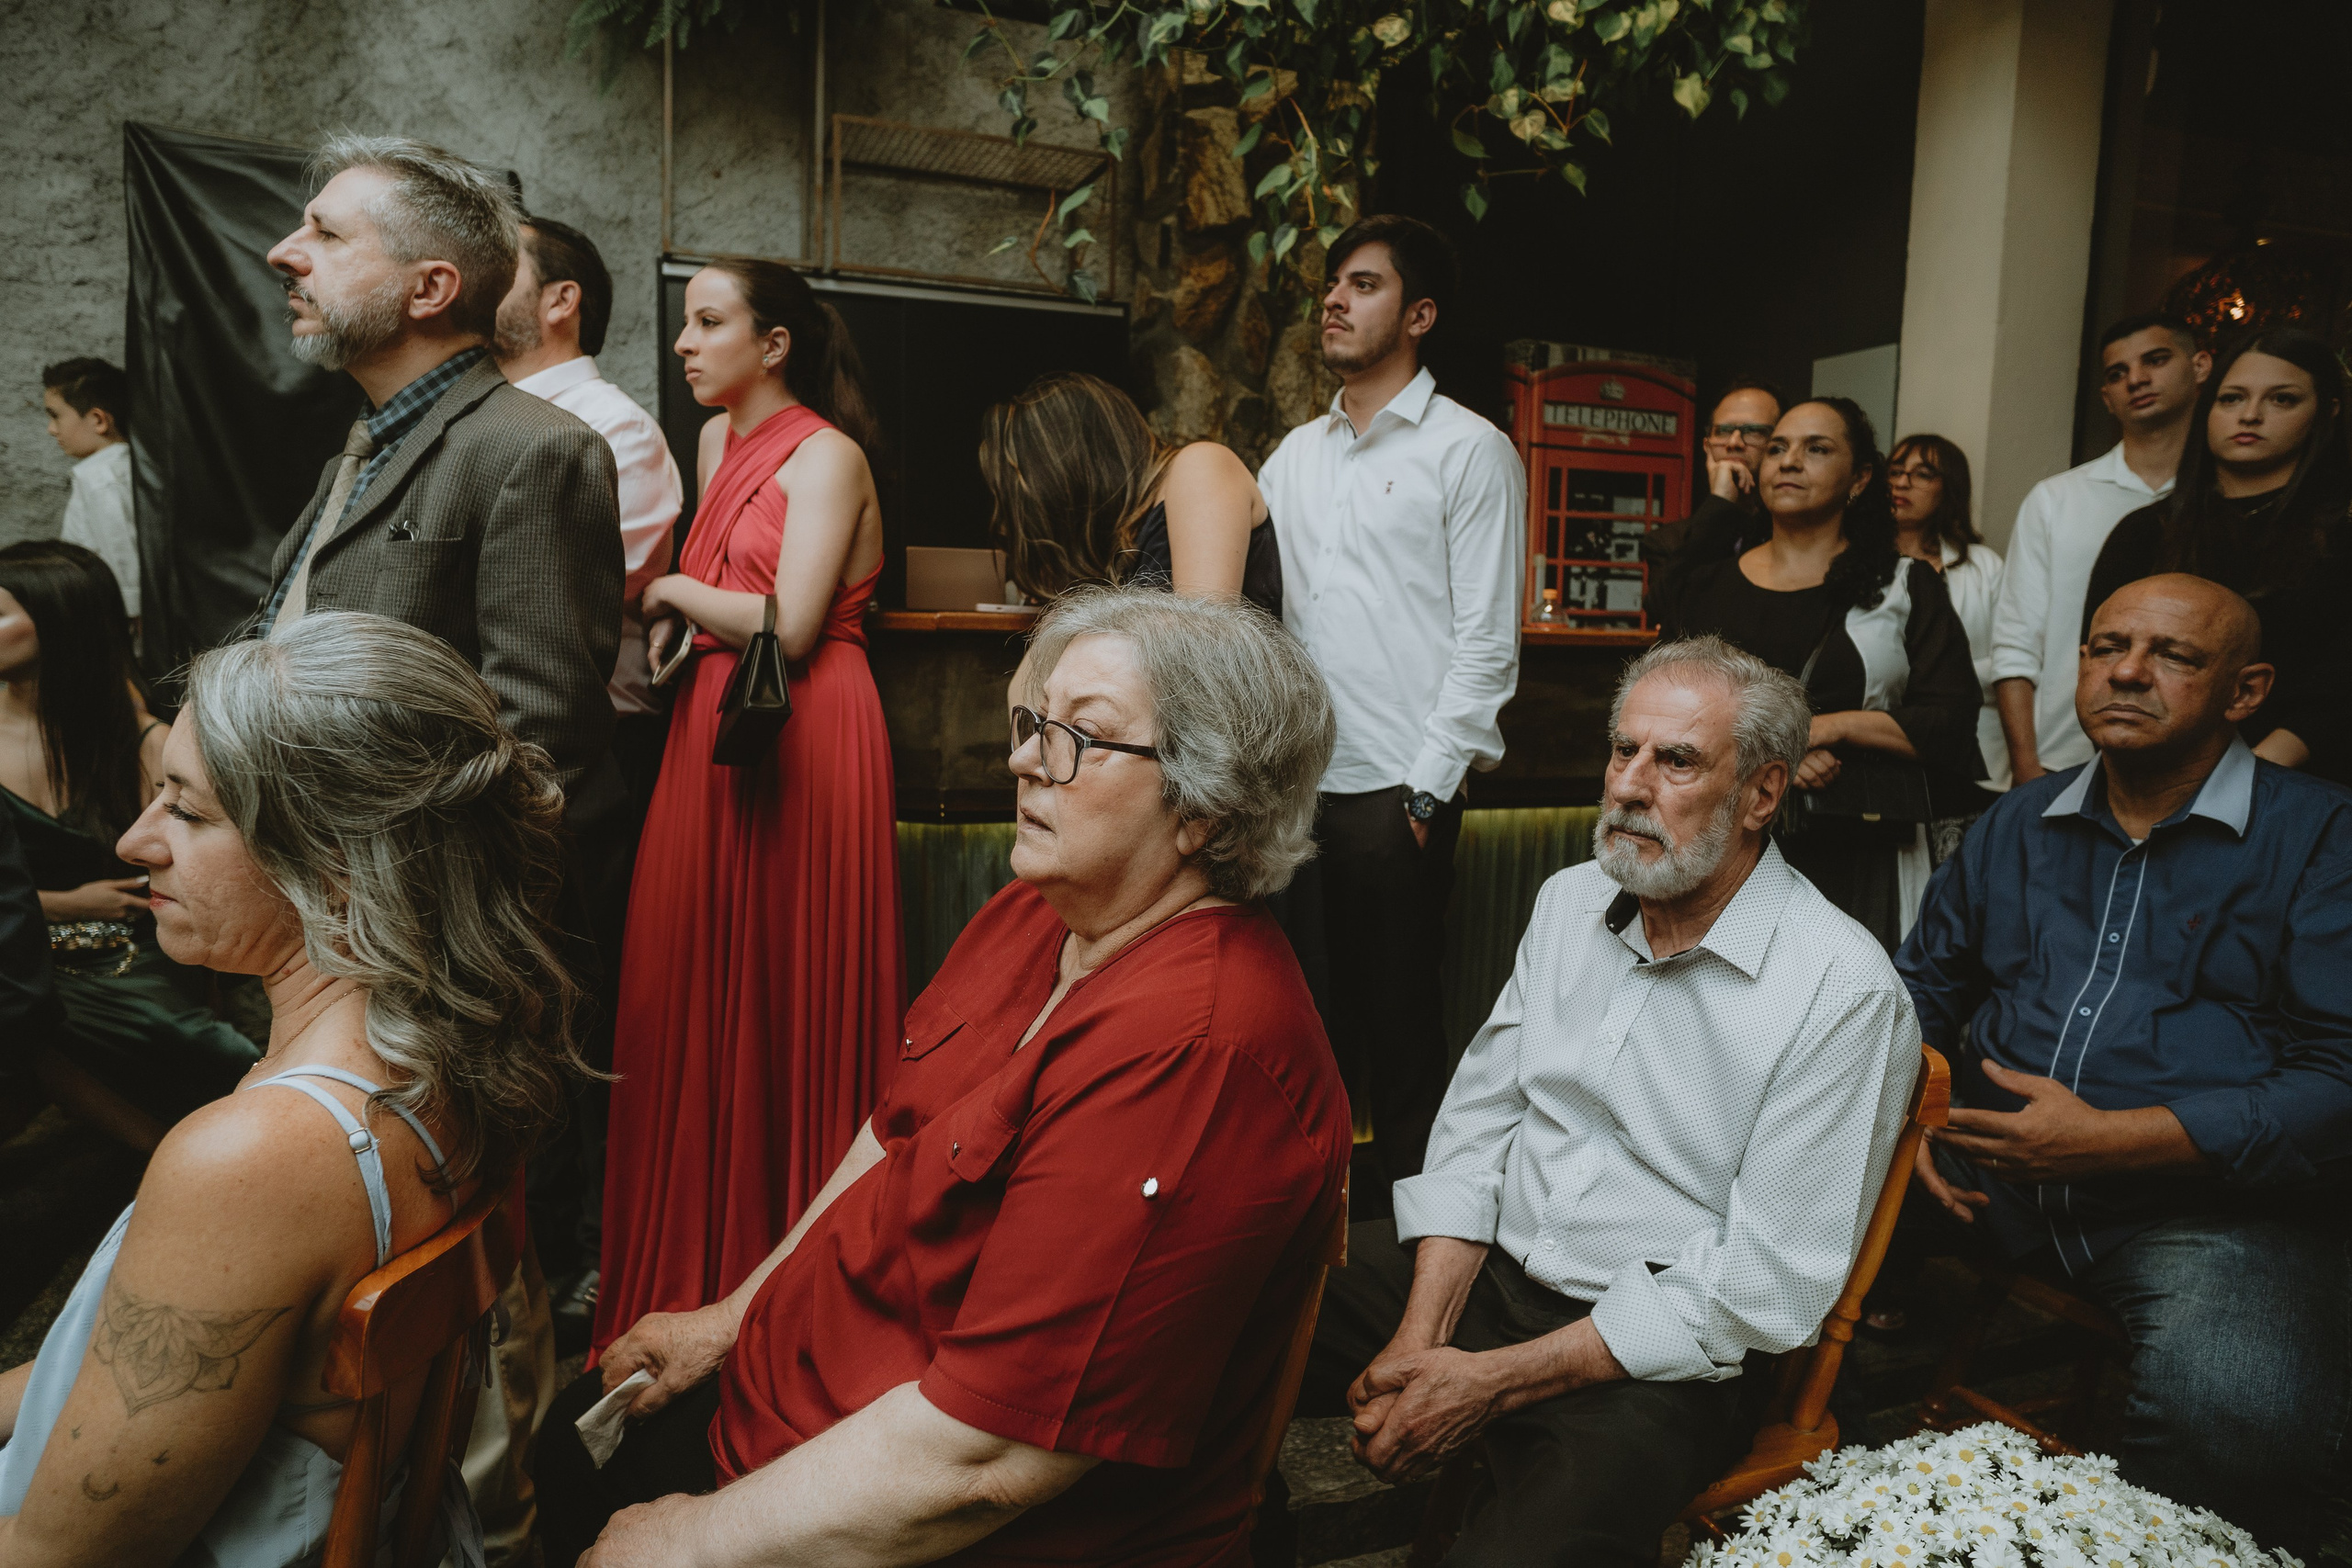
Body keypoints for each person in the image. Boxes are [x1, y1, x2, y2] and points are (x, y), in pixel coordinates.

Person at [535, 584, 1351, 1568]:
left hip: (931, 1512)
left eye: (1077, 738)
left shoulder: (1196, 1054)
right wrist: (732, 1318)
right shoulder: (1037, 915)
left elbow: (984, 1463)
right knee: (562, 1452)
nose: (1021, 759)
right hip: (791, 1409)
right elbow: (890, 1140)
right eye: (1031, 722)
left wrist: (691, 1541)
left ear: (1206, 810)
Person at [1304, 636, 1918, 1567]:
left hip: (1657, 1354)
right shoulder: (1567, 902)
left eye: (1675, 760)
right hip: (1485, 1278)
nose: (1629, 785)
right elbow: (1477, 1126)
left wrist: (1487, 1383)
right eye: (1621, 750)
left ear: (1762, 794)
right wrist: (1421, 1338)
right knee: (1207, 1304)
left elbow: (1764, 1285)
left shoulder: (1841, 989)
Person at [0, 610, 592, 1567]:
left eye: (188, 813)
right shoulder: (439, 1057)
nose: (133, 843)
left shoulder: (256, 1158)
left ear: (340, 865)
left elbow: (56, 1556)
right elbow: (135, 1358)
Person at [1897, 574, 2352, 1560]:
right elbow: (1920, 988)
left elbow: (2340, 1079)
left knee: (2238, 1408)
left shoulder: (2322, 835)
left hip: (2206, 1212)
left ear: (2245, 690)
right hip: (1983, 1173)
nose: (2127, 673)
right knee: (1739, 1209)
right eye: (2105, 647)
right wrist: (1917, 1108)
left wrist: (2111, 1143)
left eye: (2173, 655)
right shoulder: (2018, 820)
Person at [593, 259, 905, 1355]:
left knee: (786, 982)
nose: (683, 342)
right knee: (691, 980)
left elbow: (797, 620)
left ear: (773, 345)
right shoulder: (717, 444)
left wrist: (669, 594)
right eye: (685, 321)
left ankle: (792, 1282)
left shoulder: (828, 454)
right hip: (711, 732)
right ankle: (687, 1261)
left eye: (708, 322)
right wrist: (687, 633)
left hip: (809, 732)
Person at [1257, 212, 1525, 1183]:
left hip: (1394, 793)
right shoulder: (1292, 456)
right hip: (1292, 790)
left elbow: (1488, 643)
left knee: (1401, 1034)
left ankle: (1418, 1258)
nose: (1333, 298)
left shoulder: (1469, 451)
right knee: (1297, 1025)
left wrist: (1427, 791)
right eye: (1333, 283)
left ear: (1418, 315)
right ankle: (1301, 1235)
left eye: (1361, 284)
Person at [258, 133, 624, 801]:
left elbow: (542, 743)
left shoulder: (537, 448)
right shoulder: (366, 445)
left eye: (328, 235)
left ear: (429, 289)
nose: (282, 252)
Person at [494, 212, 686, 1339]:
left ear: (560, 298)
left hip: (588, 753)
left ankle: (581, 1259)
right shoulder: (484, 418)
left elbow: (569, 599)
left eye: (503, 264)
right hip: (496, 748)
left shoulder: (616, 430)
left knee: (574, 1009)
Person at [1659, 398, 1982, 951]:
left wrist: (1826, 728)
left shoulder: (1904, 585)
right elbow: (1667, 716)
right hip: (1716, 849)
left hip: (1858, 845)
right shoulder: (1707, 585)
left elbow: (1949, 721)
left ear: (1859, 479)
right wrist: (1781, 751)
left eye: (1817, 449)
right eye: (1778, 448)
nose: (1789, 462)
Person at [0, 540, 257, 1128]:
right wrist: (62, 905)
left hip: (133, 946)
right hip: (23, 953)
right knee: (35, 1019)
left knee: (199, 1045)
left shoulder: (144, 739)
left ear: (58, 624)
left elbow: (194, 870)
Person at [2084, 326, 2350, 786]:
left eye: (2282, 399)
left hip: (2303, 786)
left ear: (2326, 412)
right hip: (2147, 780)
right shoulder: (2145, 531)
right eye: (2230, 399)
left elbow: (2338, 686)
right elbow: (2102, 665)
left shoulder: (2341, 534)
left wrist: (2240, 784)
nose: (2250, 415)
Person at [1988, 312, 2209, 786]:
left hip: (2196, 763)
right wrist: (2027, 769)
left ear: (2201, 366)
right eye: (2117, 373)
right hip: (2062, 759)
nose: (2137, 379)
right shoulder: (2058, 499)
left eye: (2155, 360)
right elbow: (2015, 645)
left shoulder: (2224, 500)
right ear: (2107, 398)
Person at [979, 370, 1282, 615]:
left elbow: (1202, 646)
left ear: (1071, 476)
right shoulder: (1121, 545)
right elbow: (1022, 689)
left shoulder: (1200, 467)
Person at [1887, 433, 2007, 849]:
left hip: (1975, 750)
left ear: (1948, 488)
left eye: (1922, 474)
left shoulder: (1982, 566)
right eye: (1896, 471)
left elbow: (2009, 659)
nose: (1902, 484)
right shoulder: (1856, 562)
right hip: (1886, 748)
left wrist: (1940, 684)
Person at [1642, 376, 1785, 596]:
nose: (1734, 442)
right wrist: (1720, 502)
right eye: (1723, 431)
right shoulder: (1667, 542)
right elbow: (1664, 608)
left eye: (1753, 431)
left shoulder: (1797, 529)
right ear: (1707, 447)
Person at [40, 358, 141, 629]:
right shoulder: (119, 470)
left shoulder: (100, 478)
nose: (52, 429)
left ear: (98, 420)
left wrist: (134, 623)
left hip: (115, 625)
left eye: (56, 415)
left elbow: (124, 560)